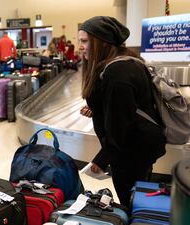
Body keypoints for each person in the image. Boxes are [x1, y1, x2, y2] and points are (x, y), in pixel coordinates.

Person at [78, 16, 166, 207]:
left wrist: (101, 159)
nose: (80, 46)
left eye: (85, 41)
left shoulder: (117, 72)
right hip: (141, 145)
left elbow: (121, 125)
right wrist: (98, 109)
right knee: (140, 193)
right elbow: (129, 106)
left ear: (101, 42)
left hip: (131, 151)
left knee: (130, 201)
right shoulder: (127, 61)